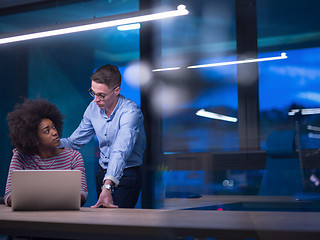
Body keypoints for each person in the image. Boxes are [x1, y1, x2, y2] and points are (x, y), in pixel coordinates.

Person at [60, 64, 146, 208]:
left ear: (117, 90)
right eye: (93, 93)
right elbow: (74, 142)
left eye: (101, 95)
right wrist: (39, 145)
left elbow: (120, 151)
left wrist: (107, 186)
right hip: (102, 172)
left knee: (118, 225)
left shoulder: (131, 113)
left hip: (127, 174)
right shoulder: (93, 107)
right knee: (103, 222)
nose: (95, 99)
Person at [4, 99, 88, 207]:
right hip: (29, 218)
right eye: (46, 131)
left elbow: (83, 194)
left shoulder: (74, 157)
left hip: (66, 217)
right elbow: (9, 195)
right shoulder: (20, 157)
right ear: (34, 139)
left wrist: (38, 199)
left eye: (53, 127)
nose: (54, 132)